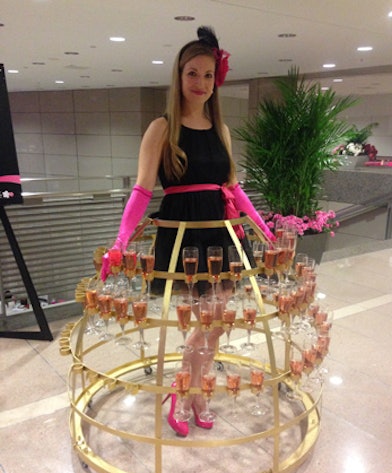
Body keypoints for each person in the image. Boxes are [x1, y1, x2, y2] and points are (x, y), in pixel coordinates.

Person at [101, 26, 275, 437]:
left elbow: (233, 187)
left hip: (222, 232)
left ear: (218, 80)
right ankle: (188, 390)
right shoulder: (162, 128)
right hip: (183, 234)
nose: (200, 83)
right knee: (203, 319)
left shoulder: (222, 131)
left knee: (215, 322)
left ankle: (193, 391)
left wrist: (264, 229)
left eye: (208, 75)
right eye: (192, 73)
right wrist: (120, 241)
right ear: (178, 77)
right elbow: (143, 189)